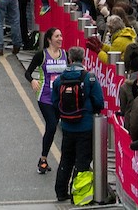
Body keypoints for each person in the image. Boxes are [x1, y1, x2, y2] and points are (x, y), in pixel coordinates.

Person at [48, 46, 102, 203]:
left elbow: (55, 101)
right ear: (83, 59)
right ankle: (77, 193)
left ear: (69, 59)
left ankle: (60, 191)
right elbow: (99, 102)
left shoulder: (60, 79)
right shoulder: (90, 78)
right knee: (82, 161)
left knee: (66, 158)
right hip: (85, 126)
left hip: (67, 126)